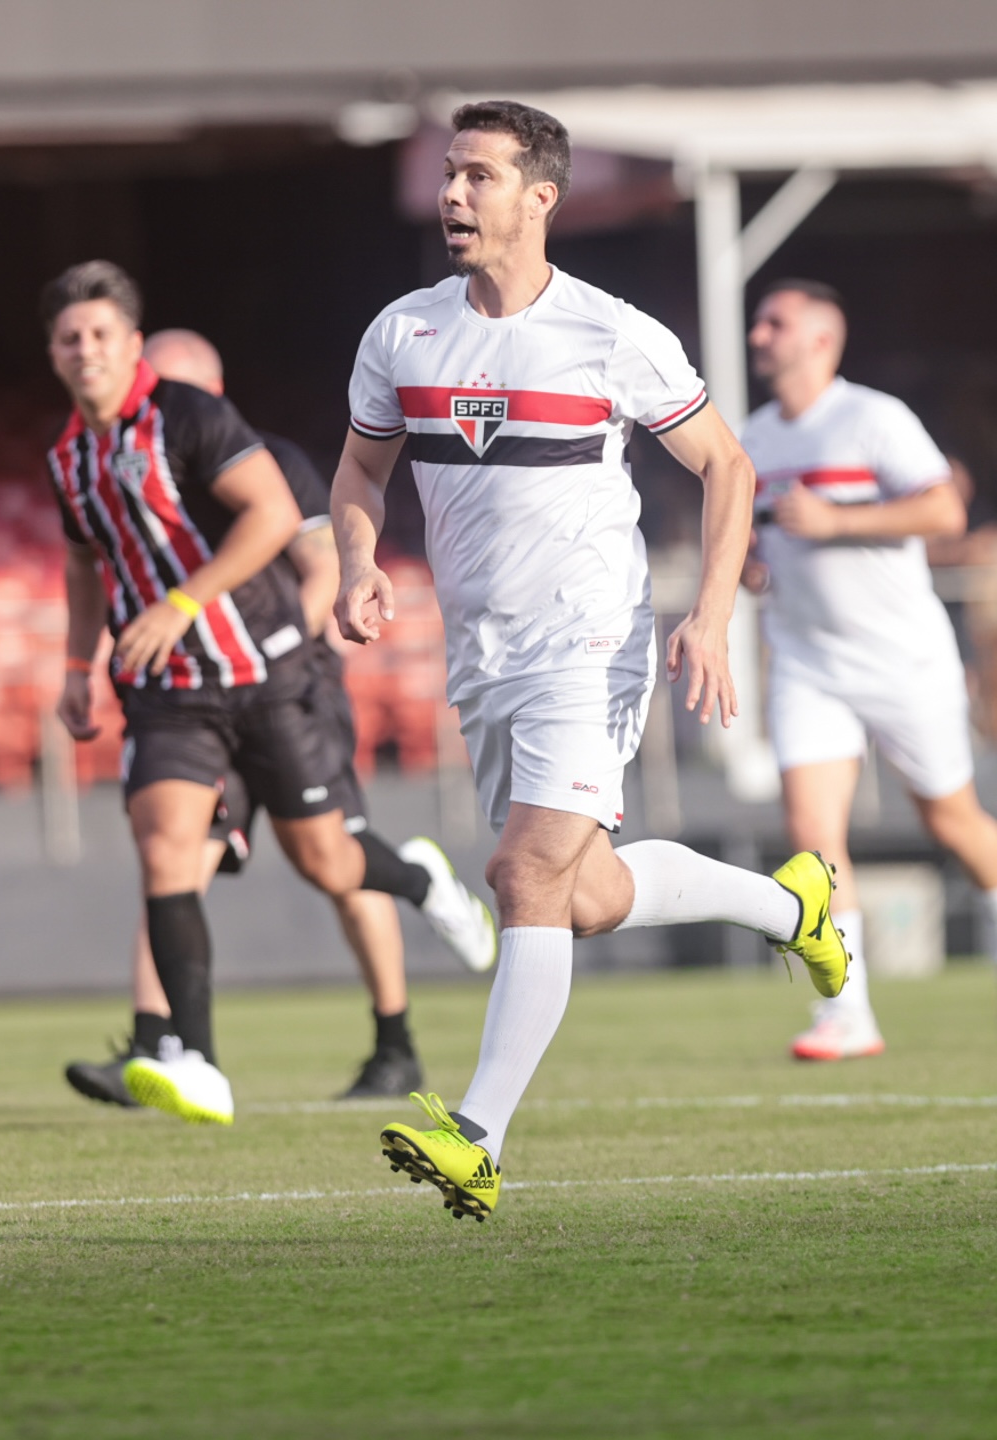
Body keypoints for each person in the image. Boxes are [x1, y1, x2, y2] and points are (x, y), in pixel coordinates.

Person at [330, 101, 849, 1223]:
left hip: (591, 644)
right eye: (451, 177)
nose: (453, 197)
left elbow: (729, 469)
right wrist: (357, 563)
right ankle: (789, 910)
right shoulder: (402, 334)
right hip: (482, 656)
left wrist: (710, 616)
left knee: (523, 877)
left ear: (541, 199)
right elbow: (359, 477)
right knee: (582, 893)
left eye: (478, 177)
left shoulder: (614, 334)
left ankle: (477, 1136)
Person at [45, 261, 495, 1127]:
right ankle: (192, 1056)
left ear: (131, 346)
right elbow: (80, 559)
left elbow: (281, 523)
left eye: (100, 334)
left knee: (329, 861)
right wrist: (75, 666)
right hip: (170, 692)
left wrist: (184, 604)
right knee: (167, 850)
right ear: (54, 354)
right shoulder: (69, 455)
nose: (84, 350)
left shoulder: (197, 420)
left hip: (271, 676)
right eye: (69, 338)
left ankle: (421, 881)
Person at [742, 279, 997, 1060]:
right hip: (808, 662)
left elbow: (944, 512)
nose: (758, 334)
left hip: (903, 660)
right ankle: (847, 1015)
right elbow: (756, 542)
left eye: (775, 322)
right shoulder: (752, 435)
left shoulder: (873, 417)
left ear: (822, 338)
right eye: (758, 321)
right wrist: (751, 562)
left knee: (951, 820)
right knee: (813, 836)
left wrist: (835, 522)